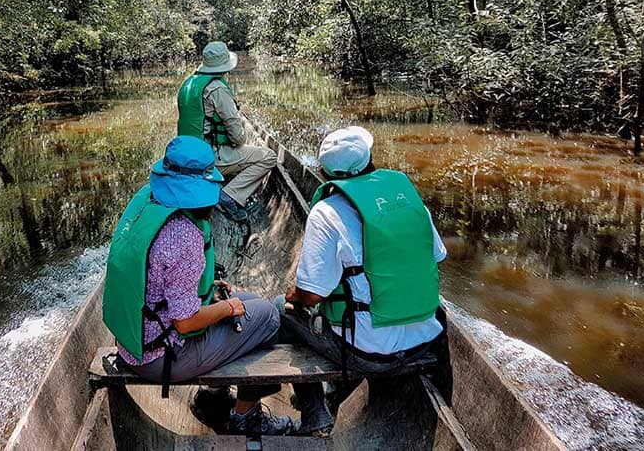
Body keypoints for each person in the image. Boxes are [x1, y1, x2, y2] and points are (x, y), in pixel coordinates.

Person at [102, 136, 294, 436]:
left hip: (134, 341)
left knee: (249, 300)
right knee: (269, 317)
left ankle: (212, 396)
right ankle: (244, 416)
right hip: (161, 357)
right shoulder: (184, 236)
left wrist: (214, 295)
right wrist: (227, 307)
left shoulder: (146, 201)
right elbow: (186, 323)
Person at [279, 126, 451, 436]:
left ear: (324, 172)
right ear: (371, 160)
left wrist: (293, 296)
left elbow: (313, 295)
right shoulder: (407, 200)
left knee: (283, 312)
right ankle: (334, 395)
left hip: (371, 353)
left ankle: (315, 413)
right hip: (425, 340)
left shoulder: (327, 211)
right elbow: (437, 256)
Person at [176, 41, 276, 221]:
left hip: (183, 156)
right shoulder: (218, 89)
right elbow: (238, 138)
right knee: (269, 157)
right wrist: (241, 140)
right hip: (207, 158)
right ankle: (229, 196)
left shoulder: (189, 83)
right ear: (225, 67)